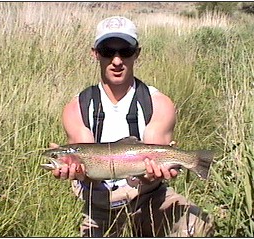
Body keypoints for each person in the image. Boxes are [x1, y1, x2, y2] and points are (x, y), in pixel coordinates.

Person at [50, 16, 214, 237]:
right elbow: (90, 175)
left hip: (150, 198)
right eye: (108, 50)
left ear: (137, 53)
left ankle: (195, 162)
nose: (117, 60)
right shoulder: (77, 107)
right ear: (95, 53)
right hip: (101, 206)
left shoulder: (158, 104)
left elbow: (152, 171)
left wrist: (156, 173)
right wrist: (76, 171)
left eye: (125, 51)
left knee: (198, 225)